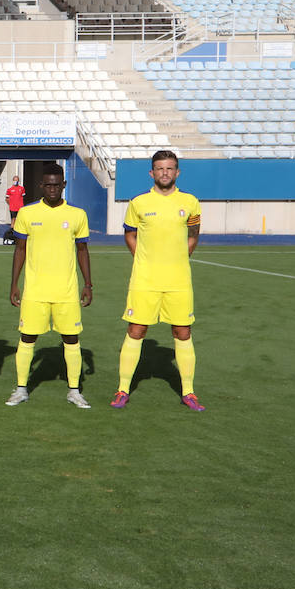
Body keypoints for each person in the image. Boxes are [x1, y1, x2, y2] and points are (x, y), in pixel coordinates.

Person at [111, 150, 204, 411]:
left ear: (177, 172)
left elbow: (194, 234)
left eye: (170, 168)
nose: (165, 173)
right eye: (160, 169)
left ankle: (189, 392)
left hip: (179, 281)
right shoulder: (139, 203)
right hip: (145, 280)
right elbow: (130, 235)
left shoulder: (191, 202)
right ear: (152, 173)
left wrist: (179, 258)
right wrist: (143, 258)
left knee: (182, 332)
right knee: (136, 330)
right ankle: (122, 389)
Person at [5, 163, 93, 409]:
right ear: (41, 186)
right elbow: (20, 250)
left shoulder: (77, 214)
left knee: (71, 339)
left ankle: (74, 390)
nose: (53, 189)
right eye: (48, 185)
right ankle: (21, 388)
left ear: (63, 185)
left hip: (66, 291)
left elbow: (83, 251)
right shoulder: (27, 213)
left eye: (57, 184)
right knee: (27, 337)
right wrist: (14, 284)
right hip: (34, 290)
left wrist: (88, 284)